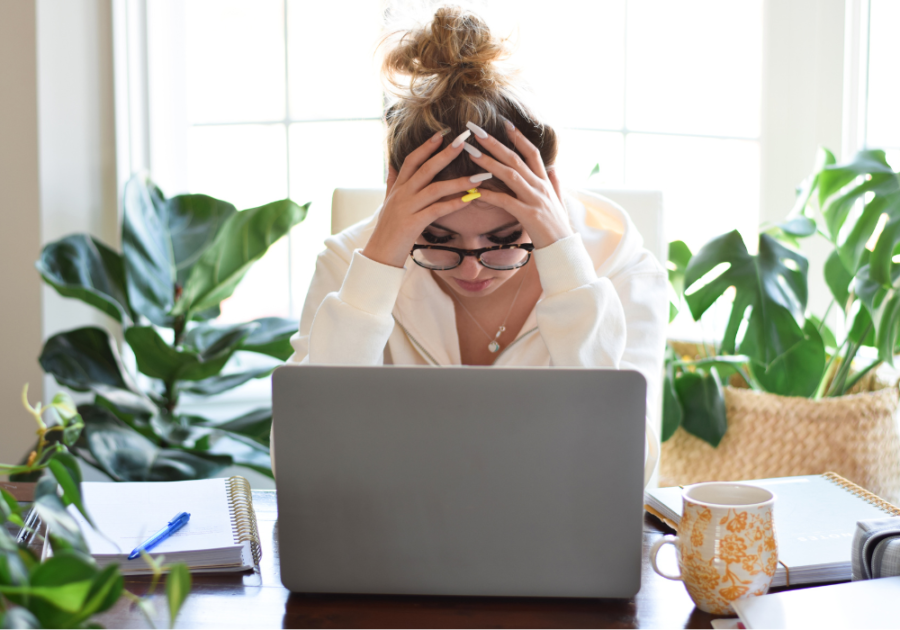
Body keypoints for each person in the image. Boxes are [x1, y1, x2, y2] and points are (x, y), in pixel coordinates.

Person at [285, 6, 668, 485]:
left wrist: (566, 267)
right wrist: (380, 263)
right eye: (438, 240)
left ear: (549, 194)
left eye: (505, 240)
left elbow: (631, 472)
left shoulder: (621, 269)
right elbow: (302, 466)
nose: (472, 271)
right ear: (397, 195)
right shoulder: (351, 263)